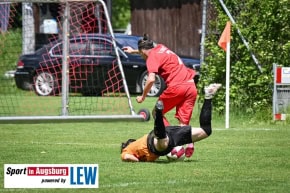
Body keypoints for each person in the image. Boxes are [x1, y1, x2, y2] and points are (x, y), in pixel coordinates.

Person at [123, 34, 198, 158]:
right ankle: (189, 143)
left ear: (143, 51)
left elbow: (151, 79)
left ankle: (171, 140)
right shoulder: (161, 47)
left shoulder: (151, 58)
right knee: (183, 122)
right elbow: (148, 49)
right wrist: (134, 51)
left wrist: (143, 96)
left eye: (140, 53)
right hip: (191, 86)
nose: (141, 56)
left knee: (156, 113)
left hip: (177, 87)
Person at [120, 83, 221, 162]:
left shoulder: (126, 151)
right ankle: (208, 96)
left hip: (154, 141)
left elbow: (127, 157)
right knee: (206, 131)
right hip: (170, 136)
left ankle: (159, 113)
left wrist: (138, 160)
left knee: (162, 143)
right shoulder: (139, 149)